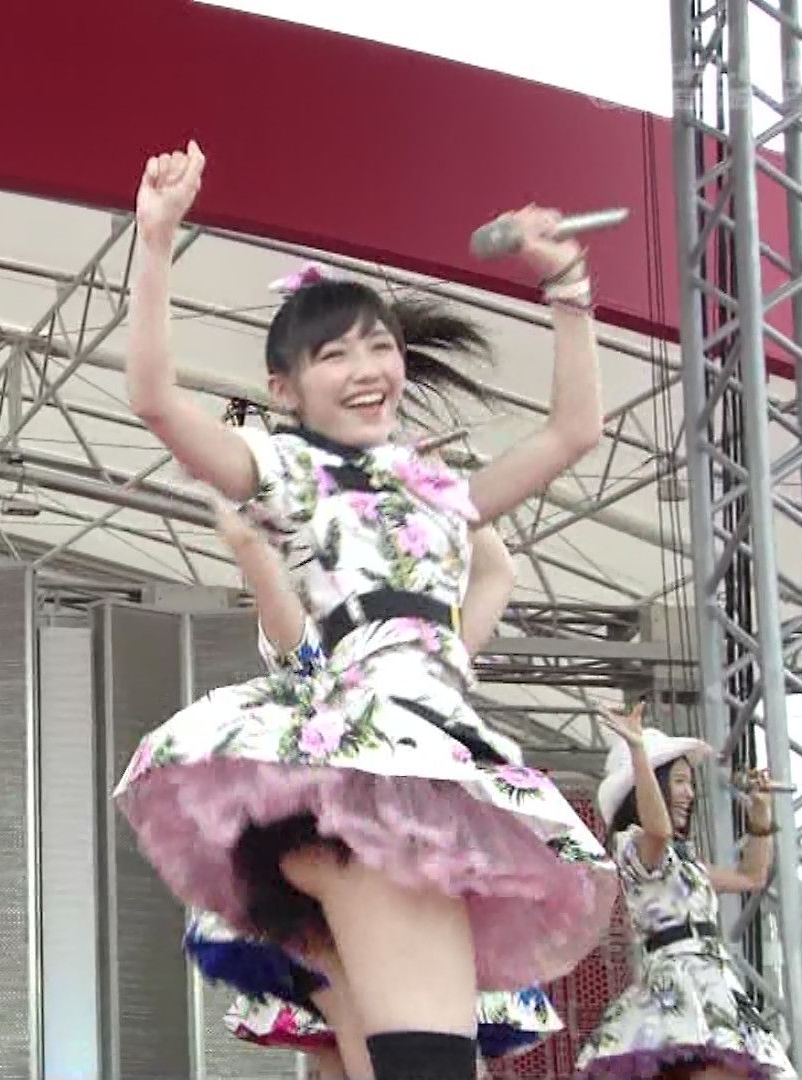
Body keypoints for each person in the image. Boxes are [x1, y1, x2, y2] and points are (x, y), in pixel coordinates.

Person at [112, 141, 616, 1080]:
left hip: (429, 763)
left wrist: (569, 286)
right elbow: (155, 401)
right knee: (428, 1062)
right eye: (333, 353)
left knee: (412, 1060)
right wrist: (156, 241)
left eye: (380, 346)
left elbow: (574, 431)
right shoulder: (290, 472)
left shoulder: (437, 493)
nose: (366, 367)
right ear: (285, 389)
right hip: (372, 778)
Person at [189, 496, 562, 1078]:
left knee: (422, 1043)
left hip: (415, 861)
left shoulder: (424, 656)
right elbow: (277, 601)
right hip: (342, 853)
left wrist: (442, 486)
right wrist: (255, 539)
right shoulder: (317, 644)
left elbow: (498, 574)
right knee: (372, 1041)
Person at [574, 705, 795, 1079]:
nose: (689, 794)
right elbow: (657, 831)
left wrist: (760, 813)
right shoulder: (633, 846)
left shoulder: (685, 861)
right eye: (678, 782)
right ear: (650, 786)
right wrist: (639, 751)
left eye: (690, 784)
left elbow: (752, 876)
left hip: (714, 979)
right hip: (676, 982)